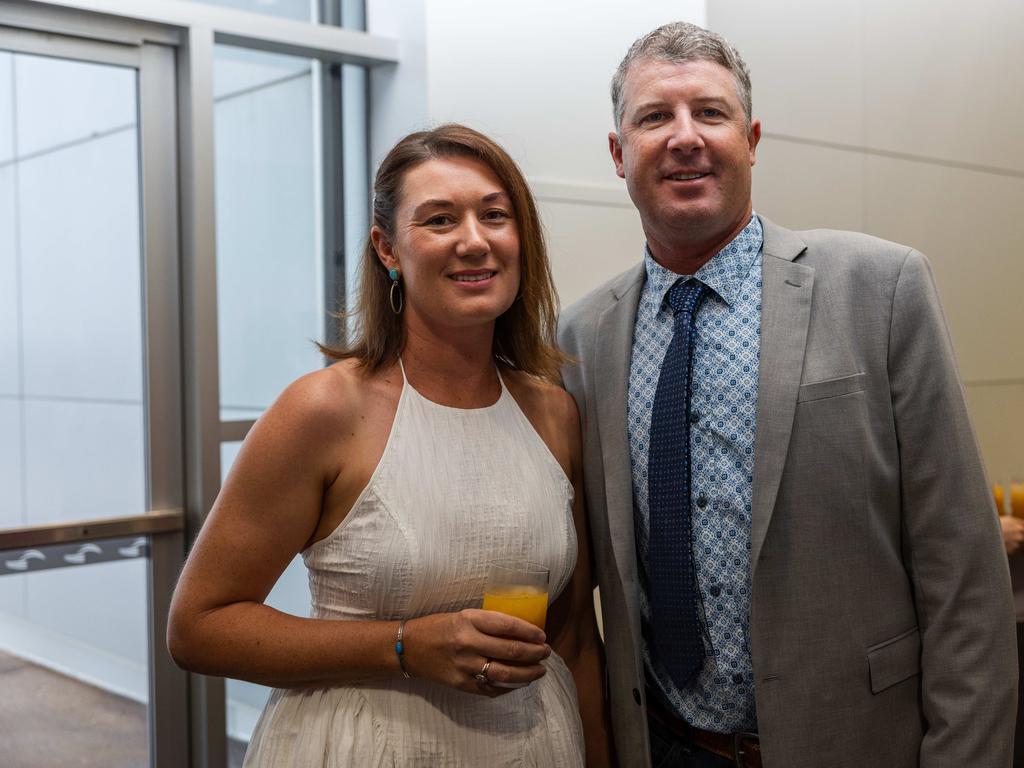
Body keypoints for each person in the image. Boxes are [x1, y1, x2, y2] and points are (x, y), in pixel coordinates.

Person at [557, 21, 1017, 768]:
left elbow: (965, 574)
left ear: (752, 138)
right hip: (668, 747)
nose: (684, 137)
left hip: (858, 744)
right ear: (618, 153)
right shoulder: (580, 339)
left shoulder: (882, 288)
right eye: (653, 117)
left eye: (710, 112)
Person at [168, 124, 609, 767]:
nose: (474, 240)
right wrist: (402, 645)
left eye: (494, 214)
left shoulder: (553, 412)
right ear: (388, 249)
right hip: (360, 745)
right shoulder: (324, 409)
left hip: (535, 745)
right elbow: (200, 627)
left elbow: (572, 639)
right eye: (438, 220)